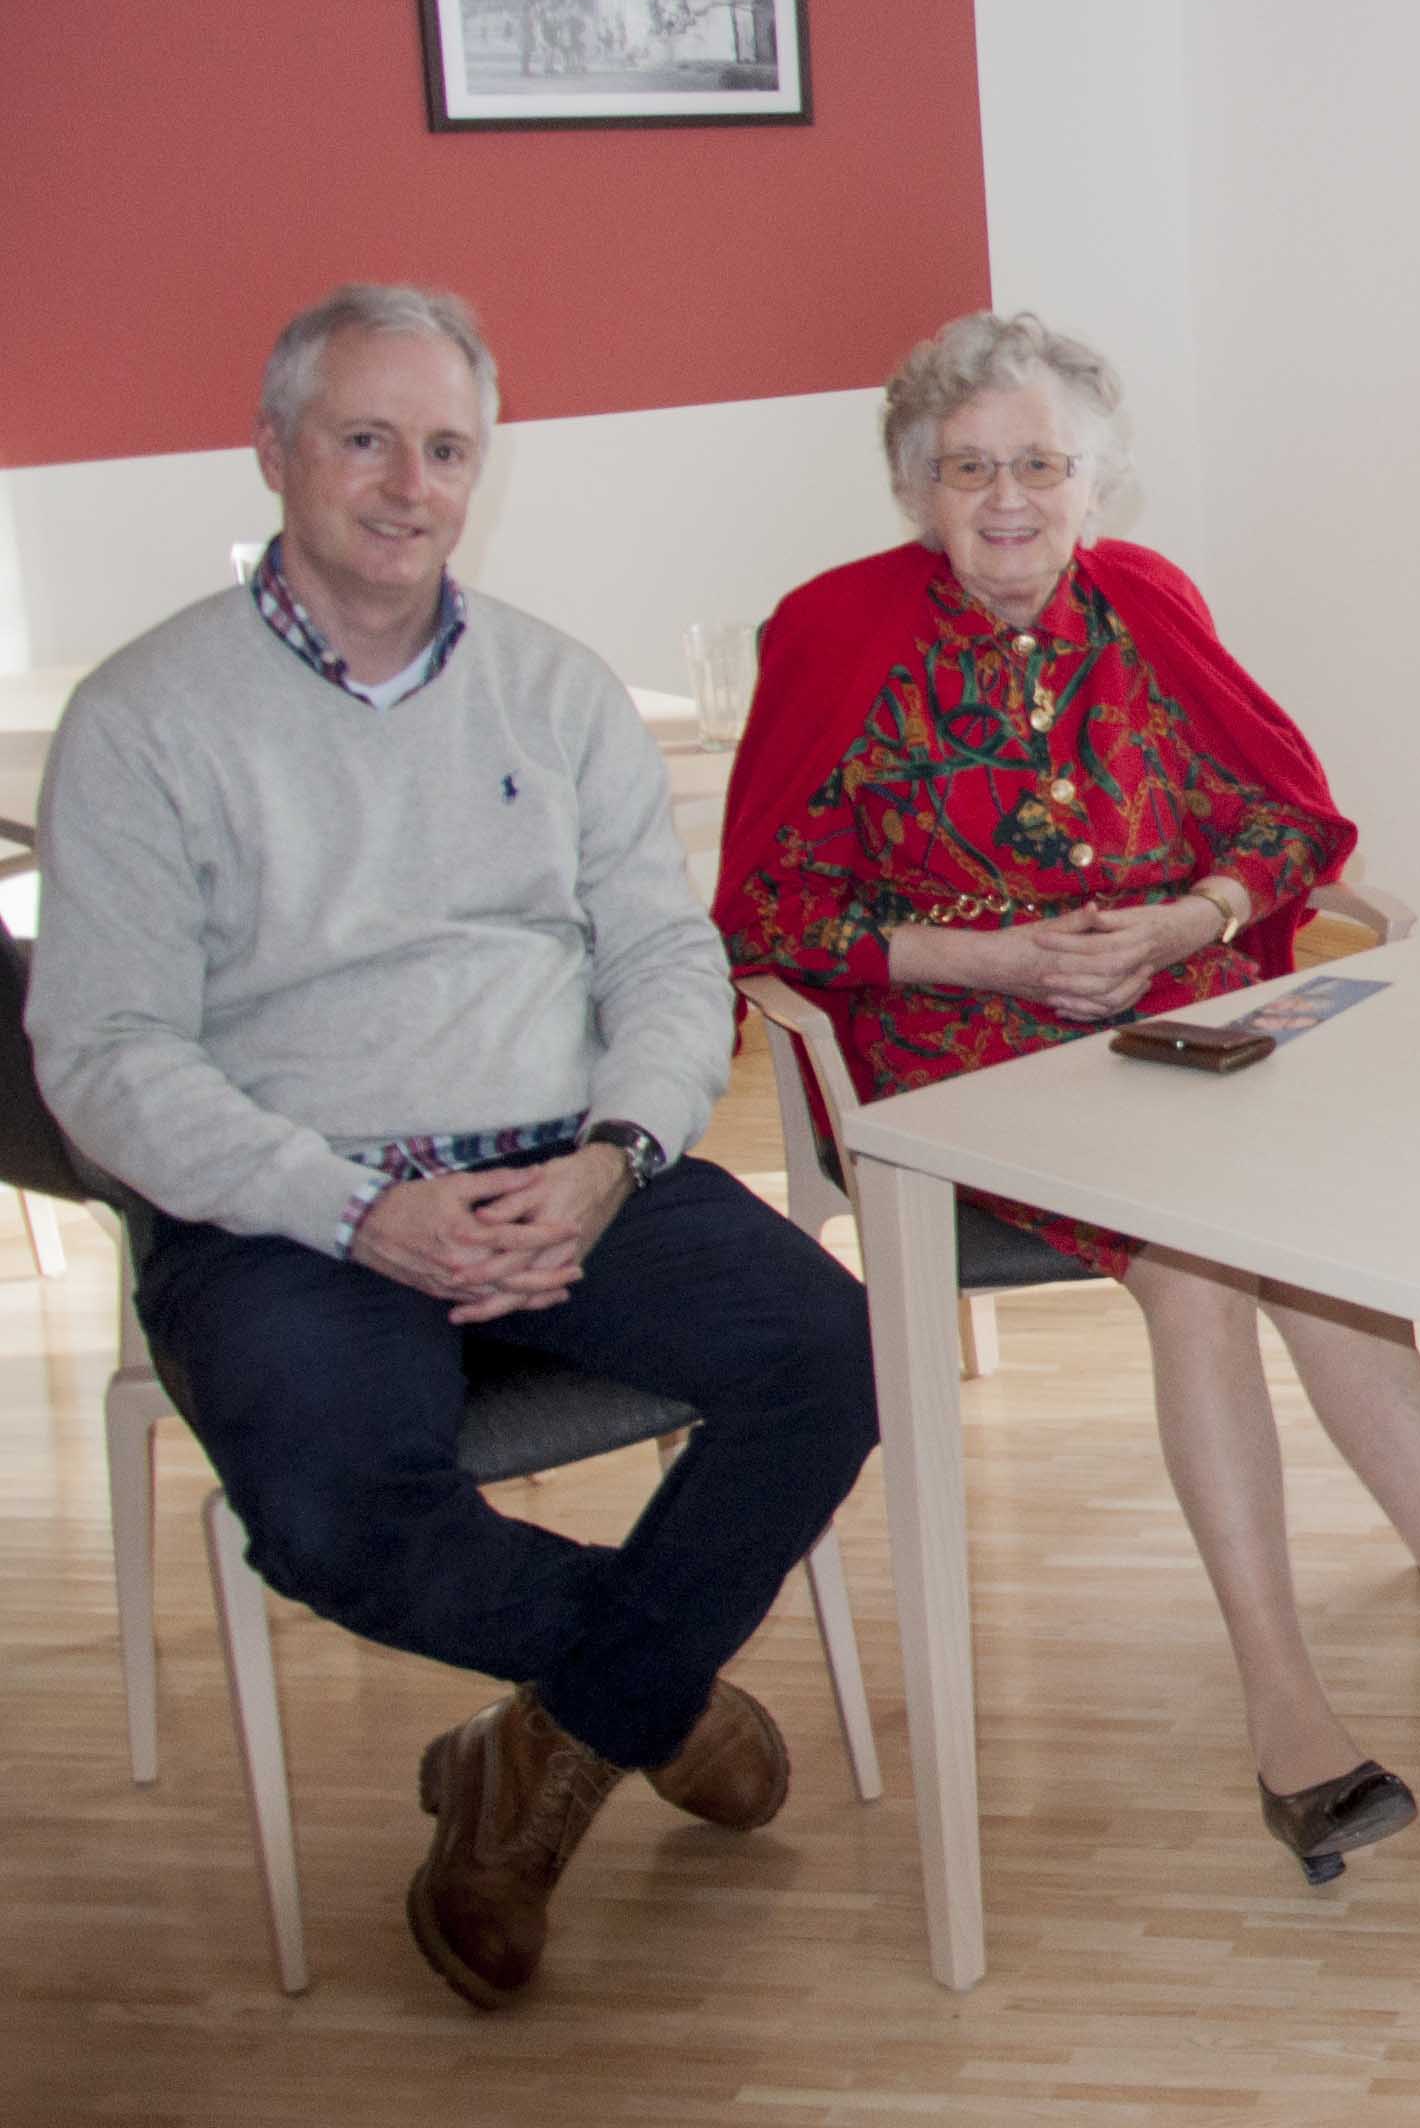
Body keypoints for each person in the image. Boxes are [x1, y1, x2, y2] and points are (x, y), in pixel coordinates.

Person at [26, 284, 880, 2011]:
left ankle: (535, 1758)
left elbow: (663, 954)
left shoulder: (555, 691)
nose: (408, 485)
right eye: (365, 438)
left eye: (446, 449)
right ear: (273, 452)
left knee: (828, 1353)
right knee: (334, 1508)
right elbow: (101, 1056)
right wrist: (354, 1211)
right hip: (286, 1203)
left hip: (565, 1159)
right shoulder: (145, 718)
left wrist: (618, 1154)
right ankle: (646, 1695)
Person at [719, 311, 1420, 1883]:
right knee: (1197, 1276)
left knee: (1329, 1280)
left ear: (1093, 482)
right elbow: (768, 918)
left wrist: (1190, 918)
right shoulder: (833, 634)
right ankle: (1286, 1709)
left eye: (1040, 466)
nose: (1008, 499)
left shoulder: (1145, 606)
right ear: (918, 486)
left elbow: (1287, 819)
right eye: (970, 468)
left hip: (1190, 1021)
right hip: (969, 1057)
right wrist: (986, 962)